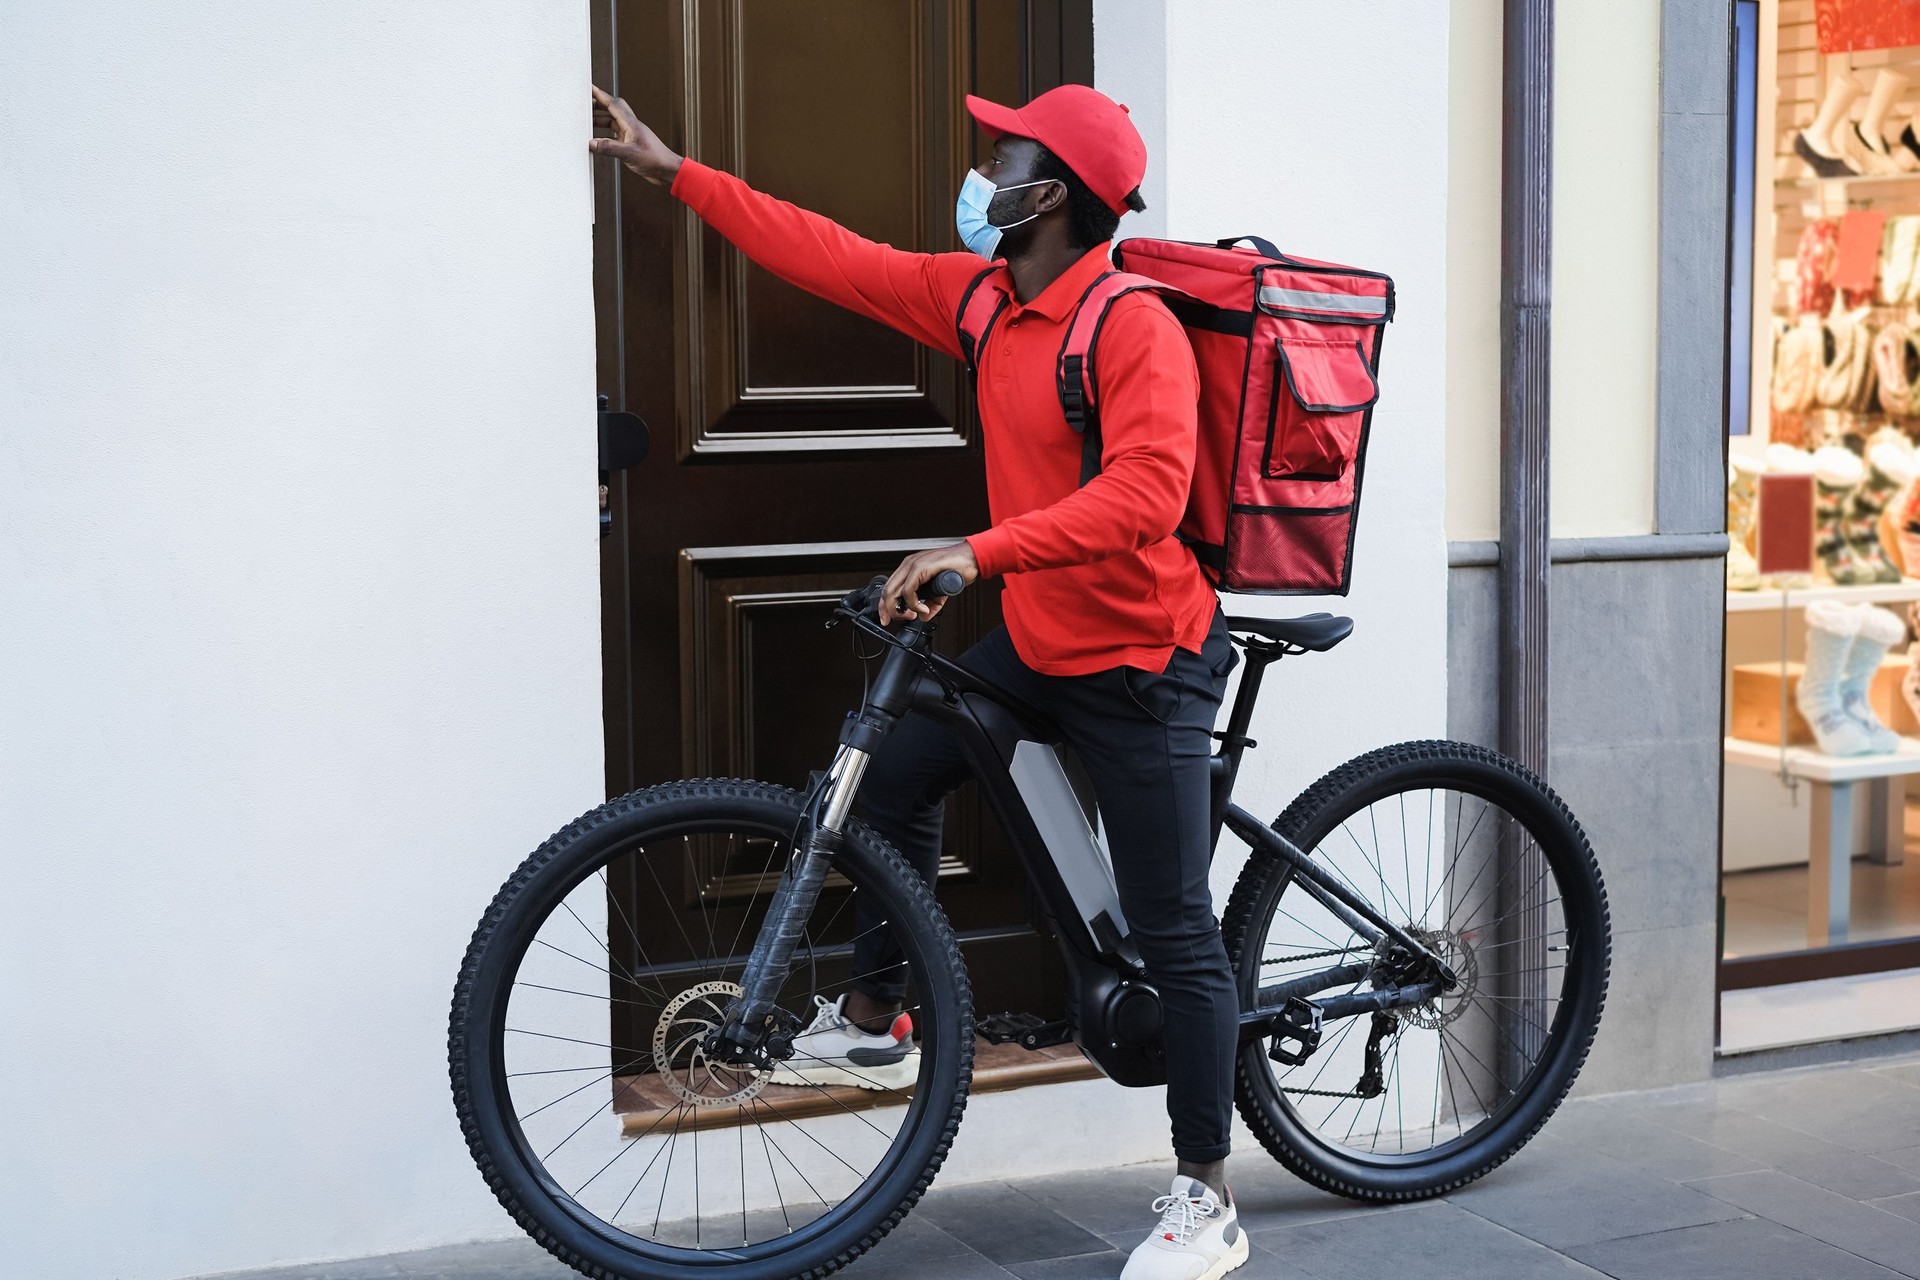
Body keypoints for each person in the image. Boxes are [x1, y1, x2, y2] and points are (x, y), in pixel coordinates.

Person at [591, 81, 1248, 1280]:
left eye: (1001, 155)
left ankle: (1206, 1195)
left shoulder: (1129, 323)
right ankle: (876, 1020)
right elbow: (835, 258)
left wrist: (978, 551)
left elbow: (1151, 492)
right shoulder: (989, 301)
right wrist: (678, 173)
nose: (981, 171)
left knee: (1176, 935)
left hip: (1144, 665)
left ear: (1046, 195)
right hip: (1038, 644)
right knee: (889, 780)